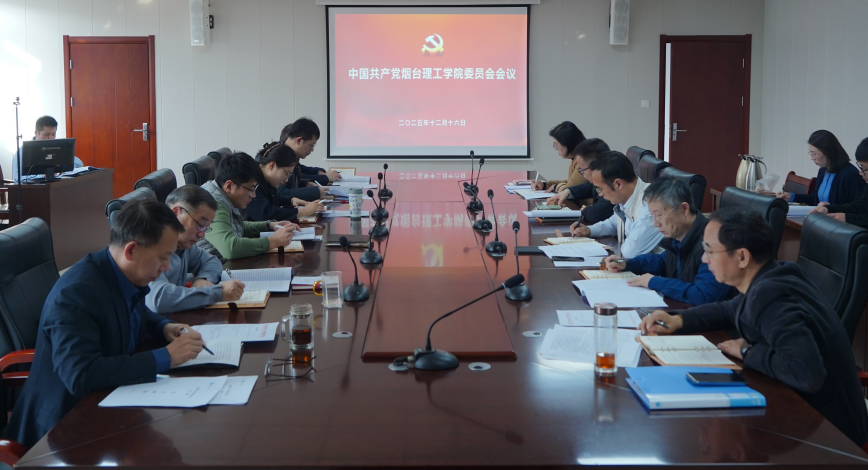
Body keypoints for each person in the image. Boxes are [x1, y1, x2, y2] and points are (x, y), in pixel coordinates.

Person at [638, 207, 868, 447]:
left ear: (742, 257)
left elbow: (807, 374)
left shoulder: (773, 297)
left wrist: (747, 351)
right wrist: (679, 320)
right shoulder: (773, 276)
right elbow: (728, 309)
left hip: (829, 436)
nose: (704, 259)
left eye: (709, 251)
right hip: (802, 414)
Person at [4, 200, 206, 448]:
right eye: (163, 257)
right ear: (131, 250)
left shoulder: (119, 270)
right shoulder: (77, 294)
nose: (166, 267)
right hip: (61, 431)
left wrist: (163, 326)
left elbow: (136, 310)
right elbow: (81, 374)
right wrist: (165, 357)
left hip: (109, 403)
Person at [603, 177, 732, 305]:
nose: (655, 223)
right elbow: (662, 262)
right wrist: (627, 264)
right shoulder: (679, 236)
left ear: (684, 209)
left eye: (659, 215)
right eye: (652, 216)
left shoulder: (713, 243)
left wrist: (654, 281)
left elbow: (703, 295)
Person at [145, 185, 246, 313]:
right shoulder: (149, 244)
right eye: (200, 225)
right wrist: (218, 292)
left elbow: (211, 261)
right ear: (176, 212)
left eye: (205, 228)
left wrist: (203, 280)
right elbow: (159, 300)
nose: (202, 235)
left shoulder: (184, 245)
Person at [198, 152, 299, 260]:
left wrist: (270, 225)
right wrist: (273, 241)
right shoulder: (213, 203)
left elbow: (236, 226)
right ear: (229, 186)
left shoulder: (222, 195)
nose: (253, 195)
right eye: (250, 190)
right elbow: (230, 249)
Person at [569, 151, 664, 258]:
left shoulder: (651, 204)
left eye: (600, 190)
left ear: (618, 184)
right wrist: (590, 230)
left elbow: (630, 252)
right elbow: (614, 224)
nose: (600, 195)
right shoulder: (628, 199)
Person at [776, 130, 862, 206]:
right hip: (823, 217)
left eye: (815, 154)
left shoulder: (850, 175)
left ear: (829, 152)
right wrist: (792, 197)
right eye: (811, 153)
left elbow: (858, 208)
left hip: (836, 219)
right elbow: (815, 199)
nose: (812, 158)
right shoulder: (823, 170)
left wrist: (831, 208)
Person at [246, 141, 325, 222]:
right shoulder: (252, 180)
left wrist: (291, 200)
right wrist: (302, 212)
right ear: (272, 166)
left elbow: (274, 199)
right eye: (286, 173)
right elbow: (265, 214)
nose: (286, 179)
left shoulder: (266, 178)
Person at [543, 138, 615, 224]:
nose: (582, 174)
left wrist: (585, 209)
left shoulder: (612, 183)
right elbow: (589, 187)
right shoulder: (601, 180)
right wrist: (566, 192)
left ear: (596, 166)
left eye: (582, 170)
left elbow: (594, 215)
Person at [808, 137, 868, 228]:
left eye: (863, 168)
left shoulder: (849, 174)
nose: (860, 172)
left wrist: (847, 218)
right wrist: (828, 209)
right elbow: (858, 206)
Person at [276, 118, 339, 203]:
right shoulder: (279, 157)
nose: (312, 150)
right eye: (311, 145)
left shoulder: (291, 155)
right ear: (299, 140)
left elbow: (291, 182)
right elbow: (280, 193)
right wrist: (315, 192)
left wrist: (305, 183)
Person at [11, 115, 83, 182]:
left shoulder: (56, 147)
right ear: (36, 133)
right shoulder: (22, 151)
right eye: (46, 134)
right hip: (33, 188)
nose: (51, 137)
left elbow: (79, 162)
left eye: (53, 134)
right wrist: (42, 176)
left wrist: (63, 169)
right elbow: (17, 178)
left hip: (54, 185)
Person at [531, 121, 588, 192]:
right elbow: (570, 181)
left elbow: (569, 189)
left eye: (556, 145)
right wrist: (545, 185)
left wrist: (555, 187)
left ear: (568, 143)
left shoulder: (584, 158)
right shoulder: (575, 156)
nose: (556, 148)